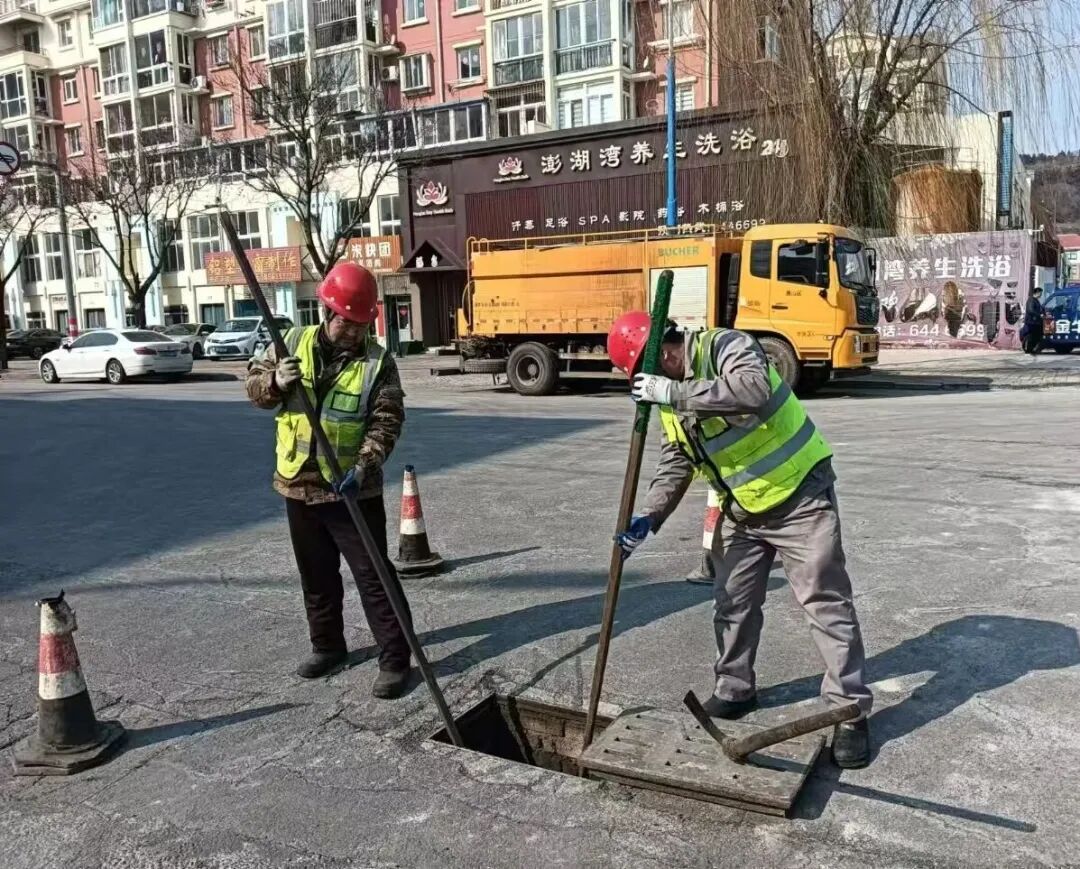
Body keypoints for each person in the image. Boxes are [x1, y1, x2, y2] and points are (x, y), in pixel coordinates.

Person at [609, 312, 873, 768]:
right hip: (741, 509)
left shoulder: (726, 347)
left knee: (824, 602)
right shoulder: (670, 393)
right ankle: (735, 689)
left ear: (666, 353)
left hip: (800, 498)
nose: (651, 381)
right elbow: (677, 460)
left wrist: (671, 392)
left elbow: (753, 390)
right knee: (731, 601)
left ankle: (848, 711)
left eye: (648, 372)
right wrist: (649, 517)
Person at [245, 262, 413, 698]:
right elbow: (255, 389)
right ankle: (327, 646)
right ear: (328, 313)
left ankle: (395, 659)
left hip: (350, 487)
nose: (354, 332)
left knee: (374, 577)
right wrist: (274, 382)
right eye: (347, 323)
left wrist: (365, 465)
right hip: (298, 483)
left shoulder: (378, 362)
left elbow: (387, 420)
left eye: (361, 324)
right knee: (316, 575)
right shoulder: (290, 343)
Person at [1023, 287, 1044, 354]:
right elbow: (1030, 310)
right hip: (1031, 322)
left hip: (1036, 322)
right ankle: (1028, 349)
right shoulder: (1031, 300)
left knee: (1036, 336)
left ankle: (1032, 349)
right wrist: (1039, 315)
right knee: (1031, 336)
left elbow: (1039, 309)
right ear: (1037, 293)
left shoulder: (1036, 301)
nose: (1041, 295)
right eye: (1040, 293)